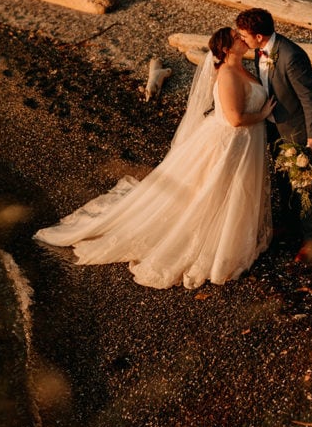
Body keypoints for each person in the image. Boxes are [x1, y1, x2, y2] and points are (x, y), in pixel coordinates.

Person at [33, 27, 276, 289]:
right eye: (237, 38)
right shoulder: (227, 73)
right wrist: (262, 115)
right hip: (228, 143)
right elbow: (235, 119)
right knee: (215, 191)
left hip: (240, 144)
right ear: (227, 49)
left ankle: (232, 233)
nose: (243, 38)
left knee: (229, 190)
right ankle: (216, 240)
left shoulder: (242, 67)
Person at [234, 8, 312, 261]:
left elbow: (310, 97)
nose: (240, 38)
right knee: (283, 180)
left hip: (297, 129)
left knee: (303, 185)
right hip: (275, 125)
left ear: (258, 36)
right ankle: (290, 224)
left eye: (244, 35)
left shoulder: (291, 56)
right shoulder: (259, 50)